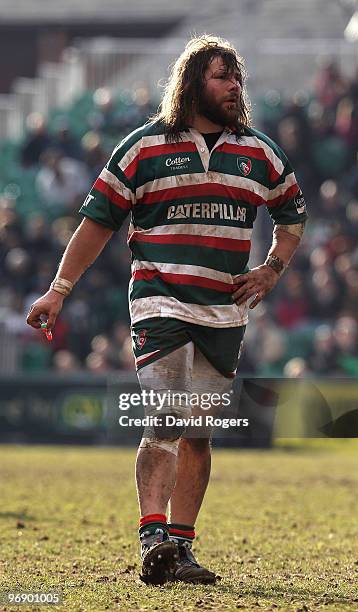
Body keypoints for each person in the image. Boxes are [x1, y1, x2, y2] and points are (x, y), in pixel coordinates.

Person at [26, 35, 307, 586]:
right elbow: (98, 222)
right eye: (222, 77)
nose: (234, 87)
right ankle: (152, 537)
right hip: (159, 299)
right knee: (165, 416)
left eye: (238, 79)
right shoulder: (143, 146)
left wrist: (272, 268)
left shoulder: (260, 151)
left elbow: (292, 214)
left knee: (199, 434)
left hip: (225, 310)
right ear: (192, 81)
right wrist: (59, 288)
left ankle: (179, 548)